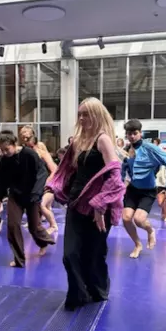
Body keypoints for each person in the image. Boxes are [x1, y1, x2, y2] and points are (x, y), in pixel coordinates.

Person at [47, 98, 125, 310]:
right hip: (76, 204)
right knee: (70, 254)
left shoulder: (103, 140)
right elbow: (66, 171)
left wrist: (100, 206)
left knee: (94, 254)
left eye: (86, 114)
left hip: (98, 209)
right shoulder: (78, 142)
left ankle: (97, 290)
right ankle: (78, 294)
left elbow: (115, 177)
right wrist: (52, 190)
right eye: (80, 114)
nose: (82, 118)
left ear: (97, 115)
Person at [0, 130, 55, 268]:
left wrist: (36, 193)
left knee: (34, 227)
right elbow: (2, 180)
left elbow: (42, 172)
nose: (4, 152)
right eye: (2, 150)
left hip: (32, 195)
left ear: (14, 144)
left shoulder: (29, 154)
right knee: (12, 225)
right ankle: (19, 259)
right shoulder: (5, 161)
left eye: (7, 149)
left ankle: (44, 241)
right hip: (15, 196)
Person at [122, 119, 166, 258]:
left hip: (148, 191)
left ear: (140, 133)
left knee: (139, 220)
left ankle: (150, 230)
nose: (132, 136)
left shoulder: (150, 148)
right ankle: (137, 244)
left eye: (134, 133)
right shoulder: (127, 151)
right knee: (126, 218)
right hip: (133, 190)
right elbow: (124, 171)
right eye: (129, 134)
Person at [26, 135, 58, 234]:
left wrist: (47, 183)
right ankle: (37, 223)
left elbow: (54, 170)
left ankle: (53, 225)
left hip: (48, 185)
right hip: (37, 185)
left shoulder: (43, 154)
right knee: (43, 206)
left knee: (42, 205)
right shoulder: (28, 155)